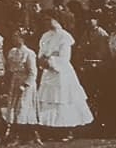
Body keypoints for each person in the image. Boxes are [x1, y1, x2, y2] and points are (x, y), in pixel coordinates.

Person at [37, 9, 94, 141]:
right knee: (49, 100)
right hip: (48, 72)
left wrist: (50, 60)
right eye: (44, 19)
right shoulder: (45, 36)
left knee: (64, 100)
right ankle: (52, 130)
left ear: (56, 19)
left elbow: (64, 57)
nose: (46, 22)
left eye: (48, 19)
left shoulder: (64, 36)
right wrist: (44, 60)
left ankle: (68, 130)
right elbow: (41, 53)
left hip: (61, 72)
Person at [3, 28, 41, 146]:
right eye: (13, 36)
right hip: (15, 81)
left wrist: (25, 85)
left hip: (26, 83)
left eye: (17, 36)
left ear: (23, 38)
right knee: (13, 108)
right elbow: (10, 68)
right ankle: (16, 135)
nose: (14, 38)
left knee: (23, 108)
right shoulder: (12, 52)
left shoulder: (29, 53)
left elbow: (33, 72)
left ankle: (29, 135)